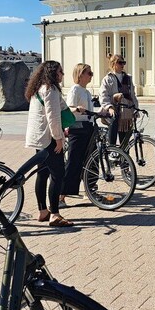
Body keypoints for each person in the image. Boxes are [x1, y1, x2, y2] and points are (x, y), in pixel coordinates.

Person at [24, 60, 74, 227]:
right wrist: (58, 138)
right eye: (60, 71)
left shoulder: (38, 88)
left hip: (38, 138)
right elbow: (53, 116)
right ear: (53, 73)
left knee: (42, 173)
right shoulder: (51, 90)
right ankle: (54, 214)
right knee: (57, 174)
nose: (62, 74)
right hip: (49, 138)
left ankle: (43, 211)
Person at [60, 63, 97, 209]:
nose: (91, 75)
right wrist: (77, 109)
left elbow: (89, 111)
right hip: (77, 129)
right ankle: (61, 196)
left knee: (90, 160)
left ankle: (90, 189)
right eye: (89, 73)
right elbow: (68, 108)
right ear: (80, 74)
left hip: (87, 128)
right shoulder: (75, 89)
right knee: (73, 162)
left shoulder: (86, 92)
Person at [100, 54, 139, 147]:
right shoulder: (107, 79)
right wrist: (109, 107)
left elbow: (132, 95)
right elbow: (103, 96)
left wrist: (136, 109)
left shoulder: (128, 78)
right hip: (114, 109)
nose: (122, 65)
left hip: (126, 111)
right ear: (113, 64)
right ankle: (111, 148)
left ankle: (124, 159)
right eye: (120, 62)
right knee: (114, 121)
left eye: (123, 62)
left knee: (124, 140)